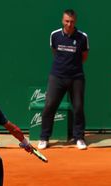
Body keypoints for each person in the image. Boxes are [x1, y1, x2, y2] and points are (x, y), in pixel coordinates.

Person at [39, 9, 89, 150]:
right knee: (49, 106)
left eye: (72, 21)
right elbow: (55, 52)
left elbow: (84, 56)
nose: (69, 24)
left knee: (78, 107)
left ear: (75, 22)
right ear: (62, 21)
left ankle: (79, 138)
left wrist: (73, 67)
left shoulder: (82, 37)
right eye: (67, 21)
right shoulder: (54, 35)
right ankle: (44, 137)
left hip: (76, 78)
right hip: (57, 77)